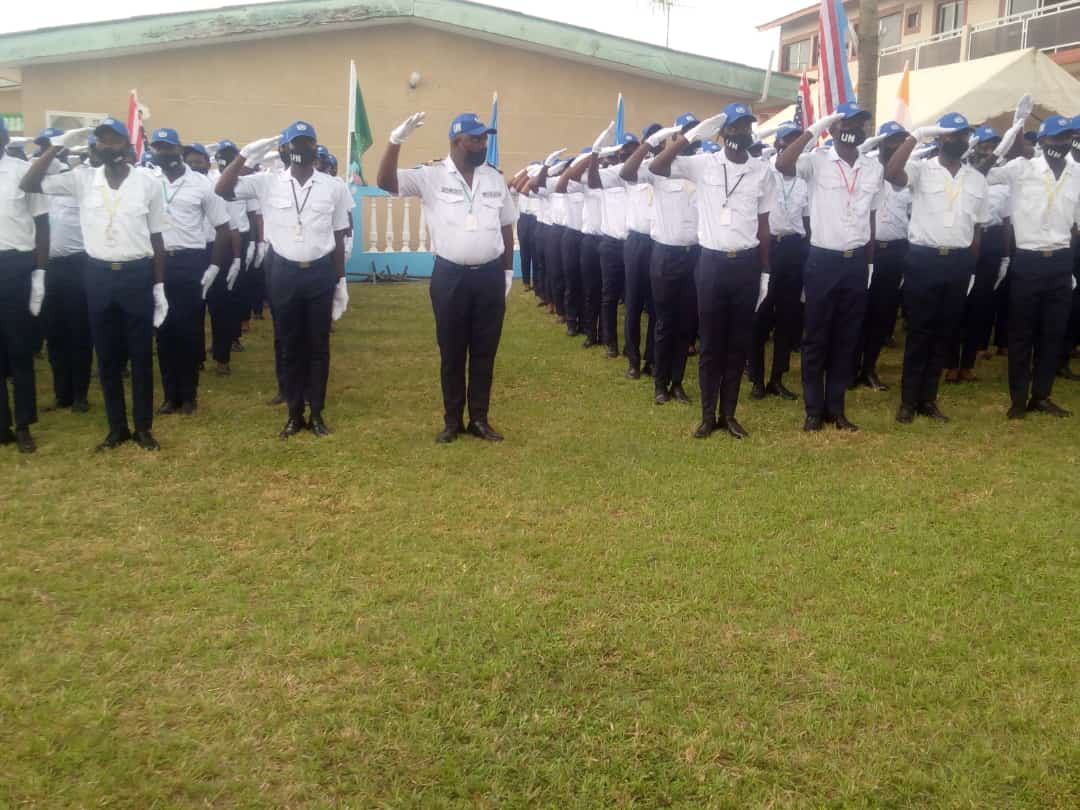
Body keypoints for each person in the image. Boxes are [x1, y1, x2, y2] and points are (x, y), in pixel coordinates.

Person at [23, 117, 168, 451]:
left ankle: (143, 428)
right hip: (98, 274)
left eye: (113, 140)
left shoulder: (147, 183)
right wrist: (59, 143)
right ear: (94, 146)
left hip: (136, 273)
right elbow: (30, 183)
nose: (107, 146)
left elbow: (158, 237)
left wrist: (159, 287)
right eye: (101, 140)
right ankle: (117, 428)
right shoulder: (81, 179)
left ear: (126, 145)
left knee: (141, 356)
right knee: (106, 357)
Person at [377, 111, 516, 443]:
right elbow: (386, 182)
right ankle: (452, 420)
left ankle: (479, 419)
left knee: (484, 351)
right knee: (452, 352)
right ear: (456, 141)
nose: (483, 144)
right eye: (476, 138)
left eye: (485, 138)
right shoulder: (432, 175)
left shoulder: (494, 178)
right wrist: (395, 141)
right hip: (450, 277)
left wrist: (507, 270)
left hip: (489, 277)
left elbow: (506, 225)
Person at [217, 121, 351, 438]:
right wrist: (243, 158)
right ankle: (294, 414)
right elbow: (221, 189)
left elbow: (338, 233)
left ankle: (316, 413)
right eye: (296, 144)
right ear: (286, 149)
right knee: (289, 345)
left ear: (315, 147)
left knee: (318, 346)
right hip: (283, 272)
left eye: (307, 143)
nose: (301, 149)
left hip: (319, 271)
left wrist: (341, 281)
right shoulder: (267, 182)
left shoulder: (334, 186)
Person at [649, 103, 775, 439]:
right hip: (711, 263)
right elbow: (657, 166)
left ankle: (729, 414)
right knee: (710, 343)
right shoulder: (703, 164)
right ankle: (708, 416)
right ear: (723, 133)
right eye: (735, 128)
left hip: (746, 263)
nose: (742, 133)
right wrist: (689, 136)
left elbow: (763, 226)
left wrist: (765, 271)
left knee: (737, 344)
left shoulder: (761, 170)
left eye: (747, 127)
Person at [776, 101, 883, 432]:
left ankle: (836, 409)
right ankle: (813, 409)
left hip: (855, 263)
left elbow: (871, 216)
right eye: (848, 122)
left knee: (846, 338)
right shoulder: (816, 161)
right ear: (835, 127)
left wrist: (869, 262)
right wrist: (815, 128)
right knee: (816, 338)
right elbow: (783, 163)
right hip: (823, 260)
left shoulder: (872, 168)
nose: (855, 128)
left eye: (861, 123)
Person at [884, 113, 989, 424]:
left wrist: (971, 266)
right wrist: (915, 135)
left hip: (958, 262)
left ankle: (928, 399)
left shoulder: (977, 179)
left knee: (944, 335)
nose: (958, 140)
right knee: (920, 333)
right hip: (924, 260)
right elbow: (891, 173)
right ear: (940, 138)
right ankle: (908, 401)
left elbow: (978, 227)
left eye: (963, 135)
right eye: (951, 135)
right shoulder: (921, 169)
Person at [987, 113, 1077, 419]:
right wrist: (1010, 136)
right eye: (1055, 138)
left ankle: (1042, 395)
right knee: (1022, 334)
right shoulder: (1021, 169)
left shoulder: (1077, 173)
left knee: (1053, 333)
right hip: (1028, 261)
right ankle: (1017, 399)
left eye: (1066, 138)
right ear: (1042, 141)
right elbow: (985, 172)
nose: (1061, 144)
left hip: (1061, 260)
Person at [149, 128, 231, 413]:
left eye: (168, 147)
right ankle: (170, 395)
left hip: (190, 261)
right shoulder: (149, 180)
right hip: (159, 262)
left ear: (179, 150)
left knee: (189, 330)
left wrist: (214, 266)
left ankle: (189, 394)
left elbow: (222, 227)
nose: (163, 153)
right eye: (158, 148)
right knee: (163, 329)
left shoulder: (201, 184)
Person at [619, 121, 700, 405]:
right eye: (685, 133)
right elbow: (627, 172)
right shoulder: (659, 169)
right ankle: (659, 383)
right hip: (666, 254)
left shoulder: (704, 169)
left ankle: (677, 381)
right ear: (675, 137)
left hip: (695, 255)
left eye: (694, 132)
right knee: (664, 321)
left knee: (685, 323)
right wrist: (651, 143)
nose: (690, 138)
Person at [945, 125, 1011, 382]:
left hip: (990, 241)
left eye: (992, 144)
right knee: (956, 305)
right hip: (963, 238)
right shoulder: (962, 174)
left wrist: (1005, 256)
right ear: (973, 146)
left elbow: (1006, 221)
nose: (988, 148)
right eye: (983, 144)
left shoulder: (1003, 178)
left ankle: (968, 363)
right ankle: (950, 363)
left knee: (980, 304)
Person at [0, 118, 50, 453]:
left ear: (5, 137)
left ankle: (24, 425)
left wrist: (39, 273)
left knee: (19, 350)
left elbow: (43, 225)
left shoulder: (22, 172)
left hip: (15, 266)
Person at [751, 121, 809, 401]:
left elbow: (807, 221)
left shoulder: (805, 179)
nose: (794, 145)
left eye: (798, 140)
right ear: (778, 145)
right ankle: (756, 379)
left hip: (794, 249)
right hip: (769, 247)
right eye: (788, 141)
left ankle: (777, 378)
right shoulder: (766, 171)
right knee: (761, 316)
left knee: (787, 317)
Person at [38, 129, 94, 415]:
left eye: (54, 146)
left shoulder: (78, 179)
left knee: (78, 332)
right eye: (45, 147)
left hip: (77, 265)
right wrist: (50, 151)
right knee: (54, 332)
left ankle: (80, 394)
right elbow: (32, 181)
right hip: (48, 267)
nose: (49, 151)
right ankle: (63, 394)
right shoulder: (41, 181)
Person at [852, 121, 911, 392]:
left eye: (901, 141)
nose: (896, 146)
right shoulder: (866, 168)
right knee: (857, 313)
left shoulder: (909, 173)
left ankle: (869, 368)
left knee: (882, 314)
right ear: (881, 143)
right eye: (891, 141)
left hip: (896, 251)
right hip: (868, 250)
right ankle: (850, 367)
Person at [588, 129, 651, 359]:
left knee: (634, 297)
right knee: (610, 295)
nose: (628, 151)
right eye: (624, 149)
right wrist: (595, 153)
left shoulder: (646, 171)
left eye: (633, 147)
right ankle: (611, 343)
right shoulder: (613, 172)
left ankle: (630, 347)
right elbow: (593, 181)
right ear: (618, 152)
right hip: (613, 244)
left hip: (637, 244)